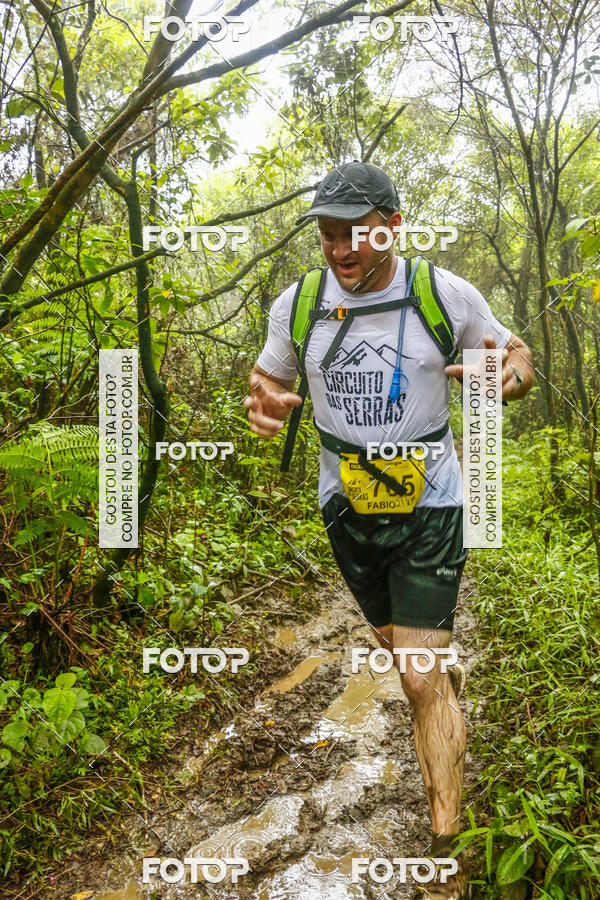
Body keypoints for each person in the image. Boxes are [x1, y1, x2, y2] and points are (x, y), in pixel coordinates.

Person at [244, 160, 533, 899]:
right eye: (330, 235)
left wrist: (507, 376)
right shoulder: (299, 303)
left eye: (357, 234)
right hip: (346, 508)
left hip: (431, 503)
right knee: (405, 655)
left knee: (415, 677)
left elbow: (516, 354)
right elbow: (268, 378)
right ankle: (435, 670)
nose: (342, 250)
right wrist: (267, 403)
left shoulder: (443, 292)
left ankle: (446, 853)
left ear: (392, 225)